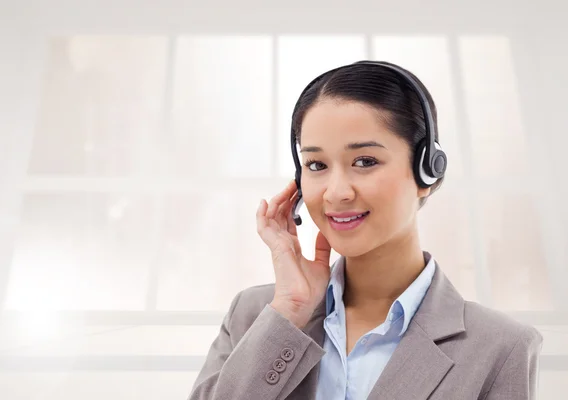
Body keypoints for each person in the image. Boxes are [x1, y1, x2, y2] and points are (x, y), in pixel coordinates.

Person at [187, 61, 543, 400]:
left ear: (426, 173)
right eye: (316, 164)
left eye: (365, 161)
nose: (337, 192)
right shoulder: (256, 315)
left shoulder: (501, 348)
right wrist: (291, 312)